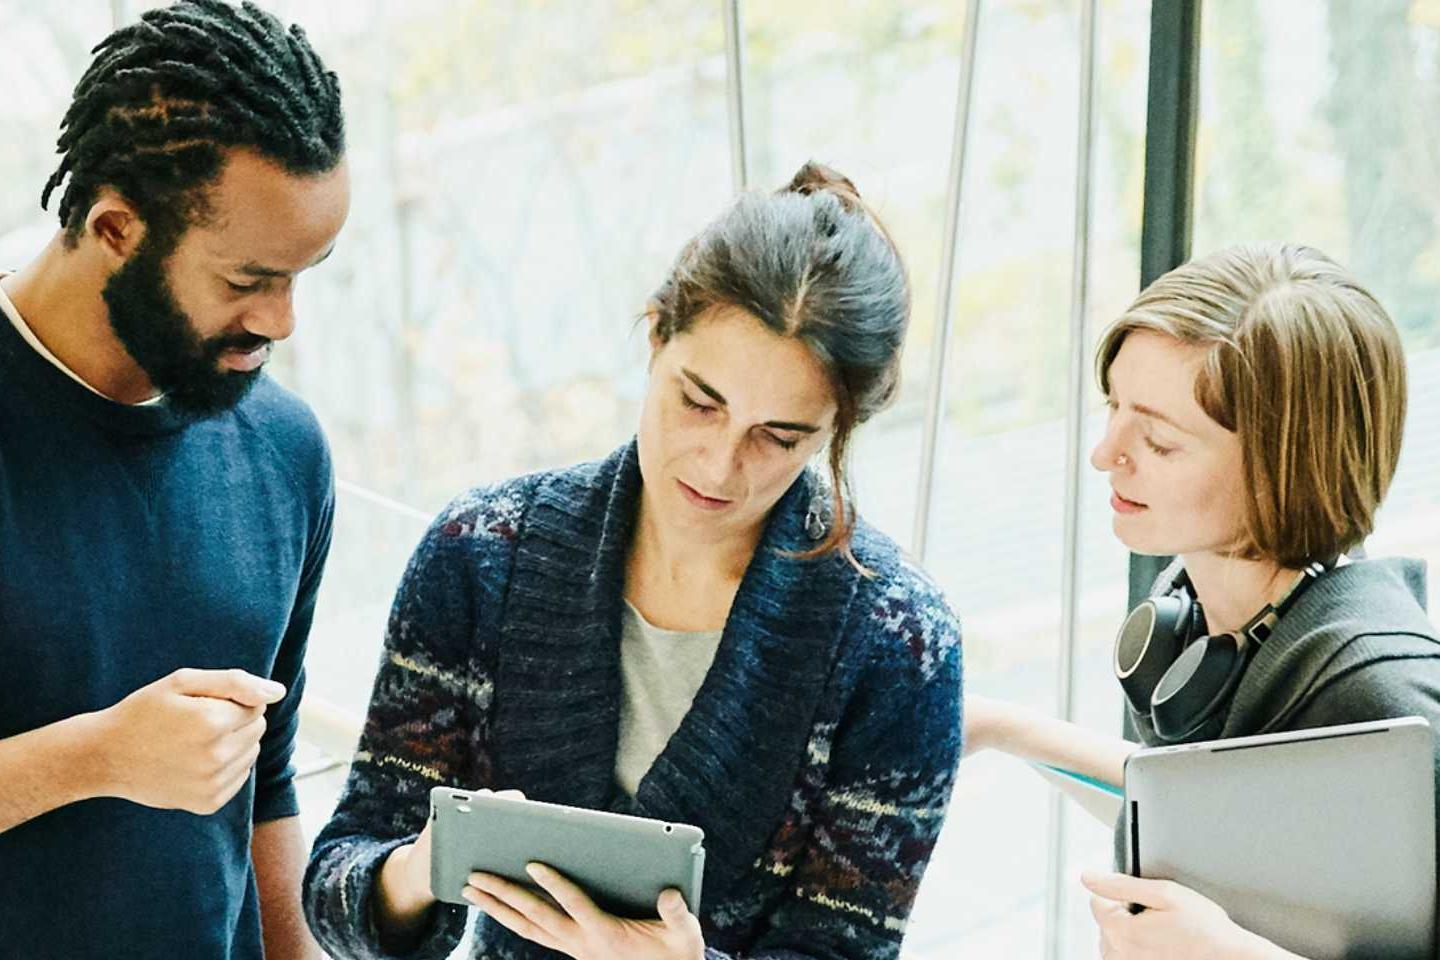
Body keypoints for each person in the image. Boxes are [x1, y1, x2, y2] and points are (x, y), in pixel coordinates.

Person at [304, 163, 964, 960]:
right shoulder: (479, 554)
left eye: (780, 437)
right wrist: (423, 868)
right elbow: (338, 887)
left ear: (836, 428)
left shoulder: (900, 643)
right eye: (699, 401)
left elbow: (846, 947)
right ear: (656, 334)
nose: (720, 465)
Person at [963, 243, 1440, 960]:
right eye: (1114, 407)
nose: (1106, 453)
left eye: (1158, 440)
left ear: (1286, 468)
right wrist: (998, 727)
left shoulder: (1383, 698)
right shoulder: (1198, 621)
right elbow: (1207, 806)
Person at [0, 2, 349, 957]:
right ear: (115, 226)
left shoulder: (286, 449)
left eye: (305, 272)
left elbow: (264, 780)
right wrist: (94, 758)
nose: (282, 321)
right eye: (246, 281)